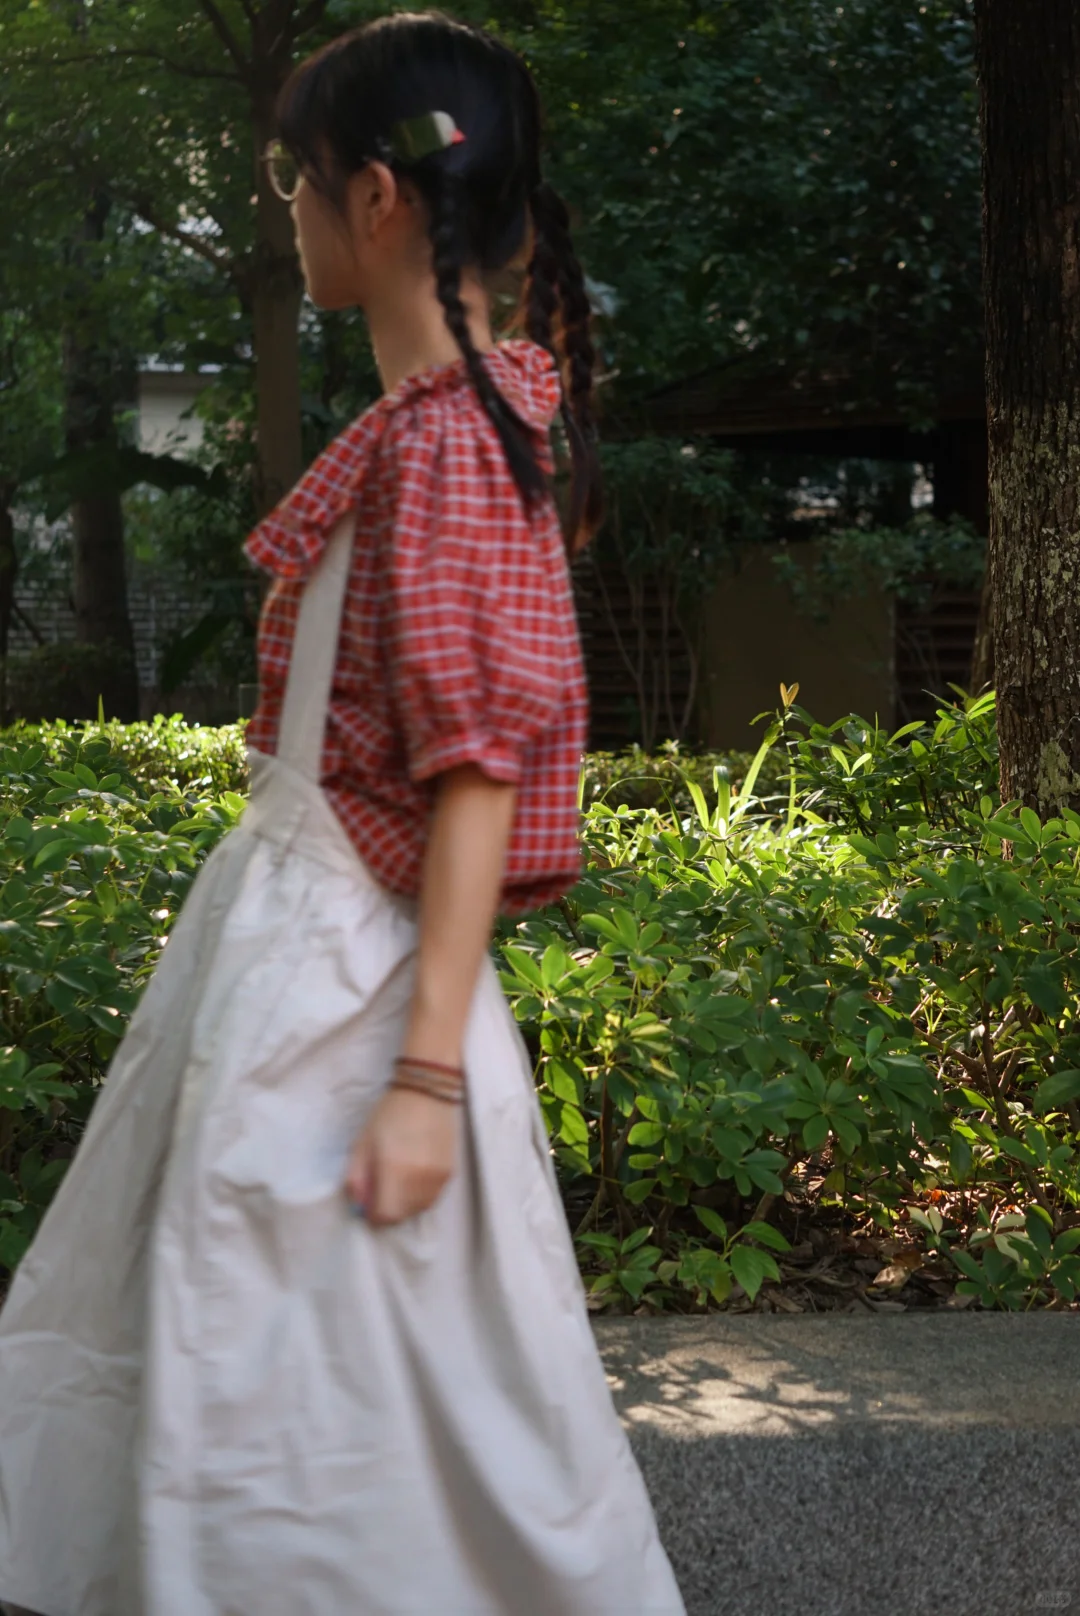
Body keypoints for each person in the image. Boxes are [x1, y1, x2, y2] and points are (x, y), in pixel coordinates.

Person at [0, 12, 686, 1615]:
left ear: (374, 200)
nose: (285, 214)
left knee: (324, 1432)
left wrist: (424, 1078)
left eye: (291, 182)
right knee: (301, 1416)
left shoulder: (452, 446)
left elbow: (477, 769)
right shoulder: (431, 434)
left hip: (353, 1000)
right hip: (307, 974)